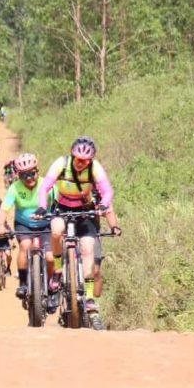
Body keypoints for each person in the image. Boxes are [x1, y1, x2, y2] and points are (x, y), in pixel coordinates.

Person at [36, 136, 122, 325]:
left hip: (85, 212)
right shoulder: (61, 163)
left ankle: (90, 300)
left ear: (90, 160)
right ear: (72, 155)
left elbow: (107, 191)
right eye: (77, 159)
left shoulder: (95, 168)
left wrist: (102, 205)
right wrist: (43, 207)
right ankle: (58, 271)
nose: (81, 163)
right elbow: (45, 187)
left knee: (88, 248)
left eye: (85, 160)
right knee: (57, 231)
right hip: (62, 207)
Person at [0, 153, 57, 302]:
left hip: (46, 225)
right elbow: (4, 209)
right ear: (18, 175)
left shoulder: (47, 185)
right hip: (24, 225)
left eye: (32, 173)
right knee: (25, 245)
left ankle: (50, 285)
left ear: (37, 171)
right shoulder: (14, 188)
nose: (29, 178)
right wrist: (0, 225)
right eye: (24, 175)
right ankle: (22, 283)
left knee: (49, 257)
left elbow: (59, 204)